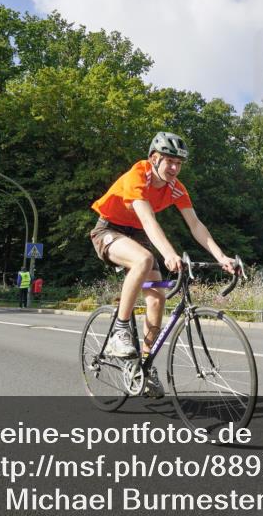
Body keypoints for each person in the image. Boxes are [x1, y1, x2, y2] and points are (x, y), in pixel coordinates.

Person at [89, 132, 235, 398]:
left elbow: (195, 225)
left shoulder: (176, 187)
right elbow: (148, 220)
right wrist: (168, 253)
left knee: (157, 298)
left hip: (137, 235)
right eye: (169, 161)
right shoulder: (138, 175)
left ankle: (144, 368)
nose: (174, 168)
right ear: (154, 159)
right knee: (143, 259)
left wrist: (221, 256)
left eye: (179, 163)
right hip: (109, 230)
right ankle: (120, 330)